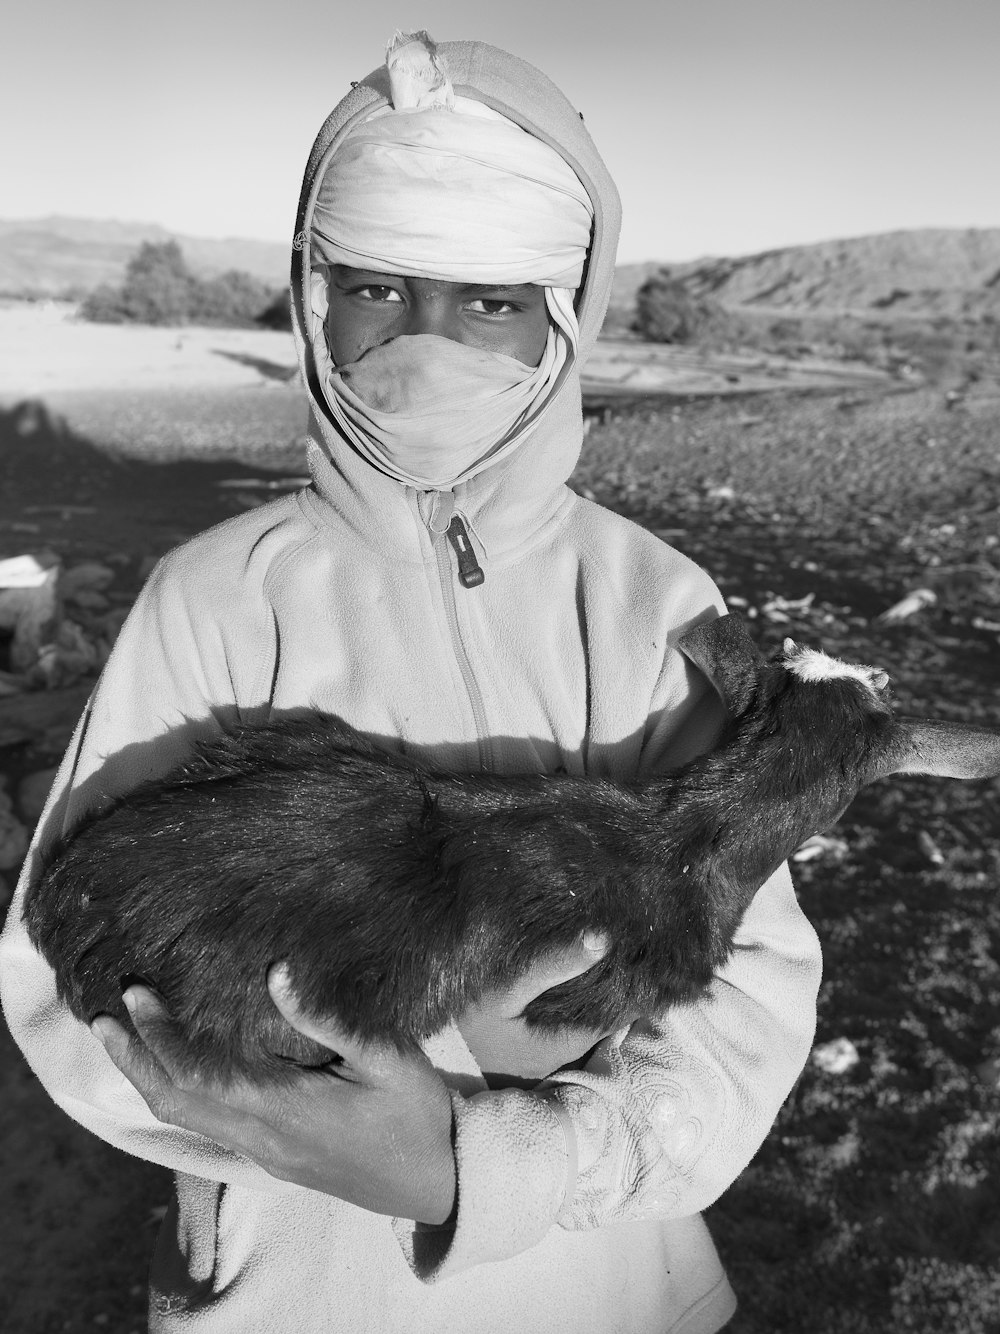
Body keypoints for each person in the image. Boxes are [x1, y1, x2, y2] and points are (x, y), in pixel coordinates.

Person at [0, 33, 822, 1334]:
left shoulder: (655, 604)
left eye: (490, 299)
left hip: (612, 1294)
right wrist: (298, 1107)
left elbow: (750, 983)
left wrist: (490, 1160)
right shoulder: (215, 598)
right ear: (312, 292)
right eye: (376, 284)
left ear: (564, 314)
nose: (424, 341)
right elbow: (65, 976)